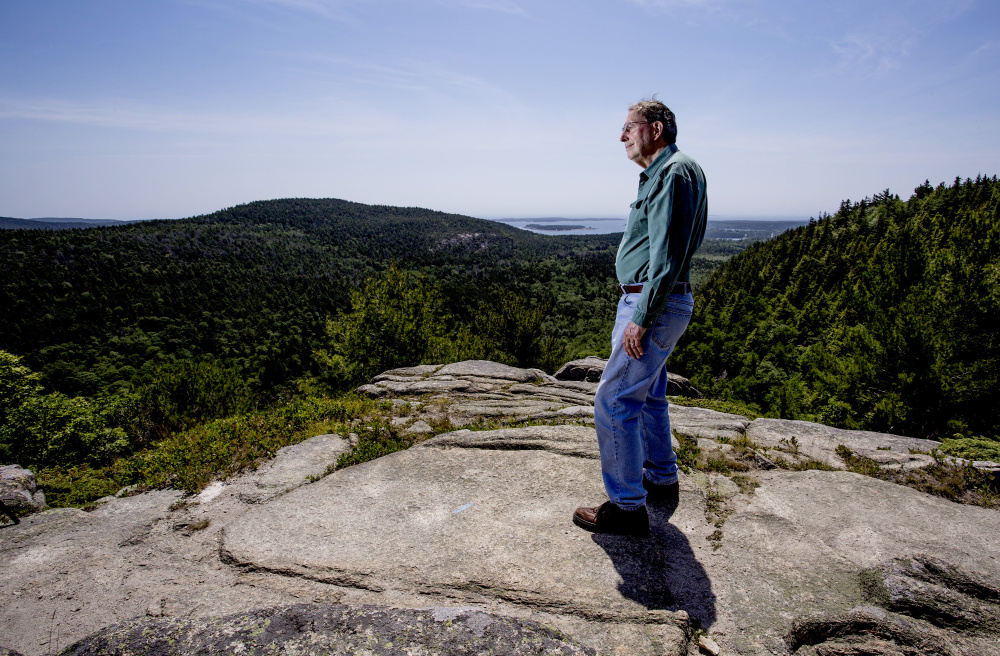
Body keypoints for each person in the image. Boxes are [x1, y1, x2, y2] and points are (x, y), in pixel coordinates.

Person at [573, 98, 707, 537]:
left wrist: (642, 316)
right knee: (648, 394)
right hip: (656, 301)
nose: (622, 136)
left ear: (655, 128)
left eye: (628, 127)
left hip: (653, 303)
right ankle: (660, 476)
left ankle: (627, 507)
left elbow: (666, 254)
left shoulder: (672, 172)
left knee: (614, 401)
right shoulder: (669, 171)